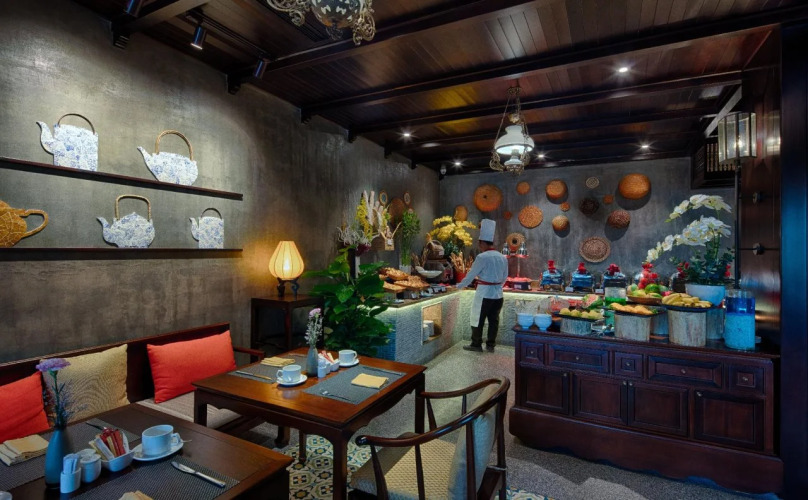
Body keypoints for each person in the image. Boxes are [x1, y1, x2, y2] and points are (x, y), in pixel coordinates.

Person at [456, 219, 508, 352]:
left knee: (477, 318)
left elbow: (470, 275)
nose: (479, 246)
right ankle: (490, 345)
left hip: (484, 293)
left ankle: (476, 344)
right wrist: (497, 286)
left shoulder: (482, 257)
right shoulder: (502, 257)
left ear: (483, 243)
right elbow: (505, 277)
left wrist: (458, 286)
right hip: (498, 294)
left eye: (479, 243)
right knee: (494, 321)